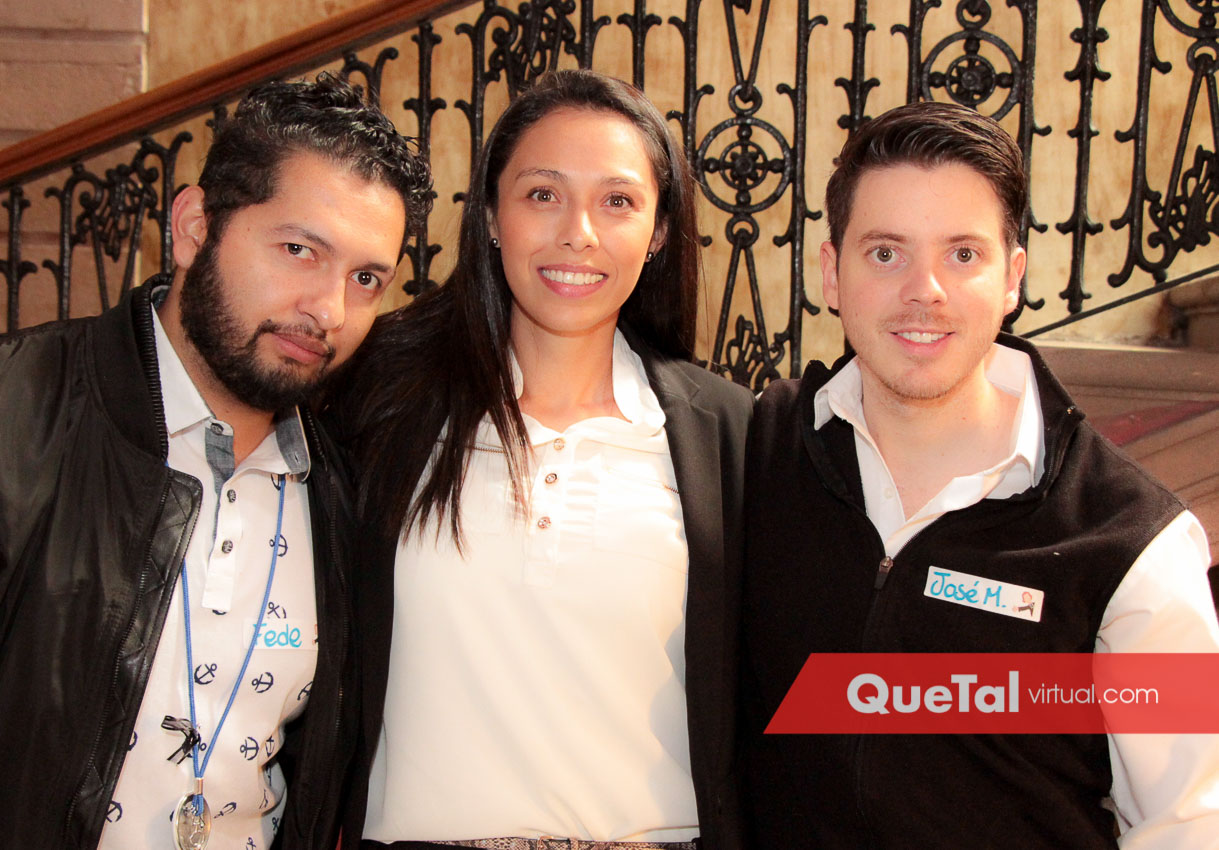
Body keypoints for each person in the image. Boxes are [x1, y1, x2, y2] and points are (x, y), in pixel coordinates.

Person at [0, 72, 431, 849]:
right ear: (194, 226)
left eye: (365, 278)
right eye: (299, 250)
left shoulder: (340, 494)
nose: (329, 310)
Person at [739, 100, 1219, 847]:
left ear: (1011, 278)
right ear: (831, 273)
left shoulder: (1131, 540)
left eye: (962, 255)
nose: (923, 289)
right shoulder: (758, 453)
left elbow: (1187, 823)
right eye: (885, 253)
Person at [328, 69, 753, 850]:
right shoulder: (379, 395)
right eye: (542, 194)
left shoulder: (725, 432)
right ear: (491, 215)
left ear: (659, 231)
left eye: (617, 201)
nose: (577, 233)